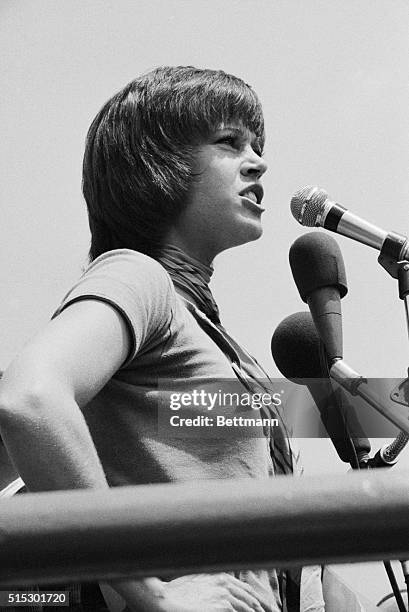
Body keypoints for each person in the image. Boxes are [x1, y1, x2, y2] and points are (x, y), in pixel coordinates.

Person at [0, 66, 324, 611]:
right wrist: (149, 592)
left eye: (258, 144)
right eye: (230, 141)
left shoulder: (211, 344)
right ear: (159, 165)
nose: (259, 160)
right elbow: (31, 400)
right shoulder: (139, 278)